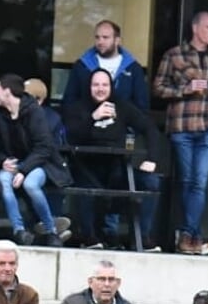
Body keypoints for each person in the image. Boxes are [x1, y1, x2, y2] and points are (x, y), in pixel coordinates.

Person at [152, 10, 208, 254]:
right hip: (182, 126)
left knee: (200, 182)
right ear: (195, 28)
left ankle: (187, 235)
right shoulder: (174, 55)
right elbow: (158, 88)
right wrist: (184, 90)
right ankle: (192, 237)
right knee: (186, 181)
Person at [61, 67, 162, 248]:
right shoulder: (77, 108)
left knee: (151, 182)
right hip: (86, 168)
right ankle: (90, 237)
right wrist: (93, 117)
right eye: (96, 85)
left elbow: (150, 129)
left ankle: (142, 237)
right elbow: (70, 136)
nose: (100, 89)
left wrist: (152, 159)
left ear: (111, 86)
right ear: (89, 86)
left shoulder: (122, 106)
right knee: (85, 188)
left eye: (105, 85)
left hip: (117, 170)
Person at [0, 74, 67, 246]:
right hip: (13, 164)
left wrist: (24, 170)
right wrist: (3, 161)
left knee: (30, 184)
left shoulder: (34, 112)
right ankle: (19, 230)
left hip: (38, 163)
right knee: (3, 180)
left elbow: (44, 147)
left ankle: (51, 230)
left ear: (7, 92)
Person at [63, 19, 150, 111]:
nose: (100, 42)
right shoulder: (82, 66)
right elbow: (70, 100)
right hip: (87, 122)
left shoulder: (132, 68)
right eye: (97, 37)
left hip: (123, 123)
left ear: (117, 40)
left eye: (105, 37)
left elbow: (142, 105)